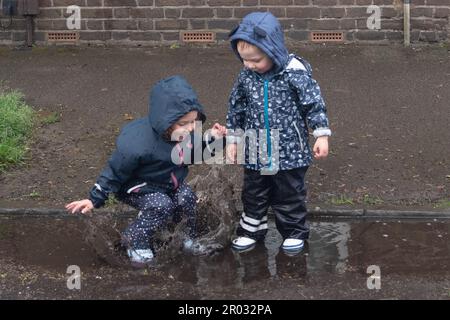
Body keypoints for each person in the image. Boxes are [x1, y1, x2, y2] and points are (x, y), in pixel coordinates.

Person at [65, 75, 226, 266]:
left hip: (167, 183)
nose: (191, 128)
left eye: (194, 121)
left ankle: (185, 237)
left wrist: (217, 139)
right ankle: (134, 239)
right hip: (138, 188)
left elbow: (197, 153)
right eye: (184, 123)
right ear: (165, 120)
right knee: (161, 205)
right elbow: (114, 171)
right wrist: (94, 198)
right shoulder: (137, 144)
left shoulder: (183, 135)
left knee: (187, 198)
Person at [226, 12, 331, 254]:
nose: (249, 65)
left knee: (288, 194)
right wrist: (233, 140)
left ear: (273, 51)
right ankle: (251, 230)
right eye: (244, 60)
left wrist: (321, 134)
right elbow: (236, 107)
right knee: (254, 192)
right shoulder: (246, 76)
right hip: (257, 146)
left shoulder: (294, 73)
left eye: (256, 60)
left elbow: (313, 104)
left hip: (290, 149)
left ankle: (293, 232)